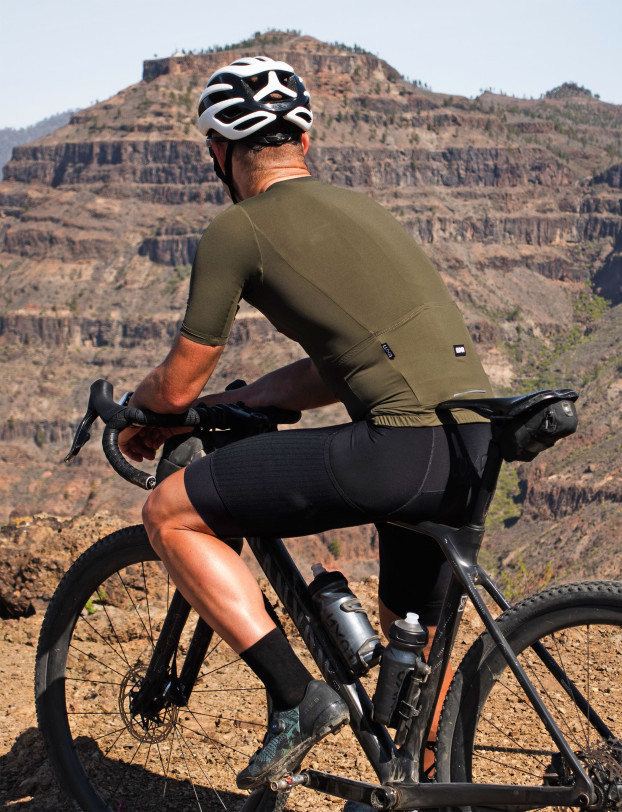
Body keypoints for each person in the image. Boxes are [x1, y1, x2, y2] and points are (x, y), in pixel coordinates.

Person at [120, 55, 492, 800]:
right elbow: (340, 365)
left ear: (219, 151)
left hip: (396, 449)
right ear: (304, 141)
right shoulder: (364, 211)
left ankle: (297, 699)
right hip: (470, 444)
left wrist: (143, 414)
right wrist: (256, 396)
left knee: (169, 512)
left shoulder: (238, 229)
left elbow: (181, 380)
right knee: (409, 632)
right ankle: (427, 786)